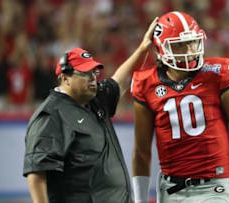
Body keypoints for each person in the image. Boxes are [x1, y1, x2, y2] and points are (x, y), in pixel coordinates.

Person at [131, 11, 229, 203]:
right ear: (160, 48)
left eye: (192, 42)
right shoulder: (146, 83)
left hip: (214, 186)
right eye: (180, 44)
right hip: (170, 189)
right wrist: (139, 200)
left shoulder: (217, 73)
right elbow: (141, 151)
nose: (190, 50)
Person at [23, 18, 158, 203]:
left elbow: (122, 79)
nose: (93, 78)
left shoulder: (95, 99)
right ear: (65, 78)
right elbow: (37, 176)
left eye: (94, 72)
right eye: (85, 73)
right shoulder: (51, 115)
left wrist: (143, 48)